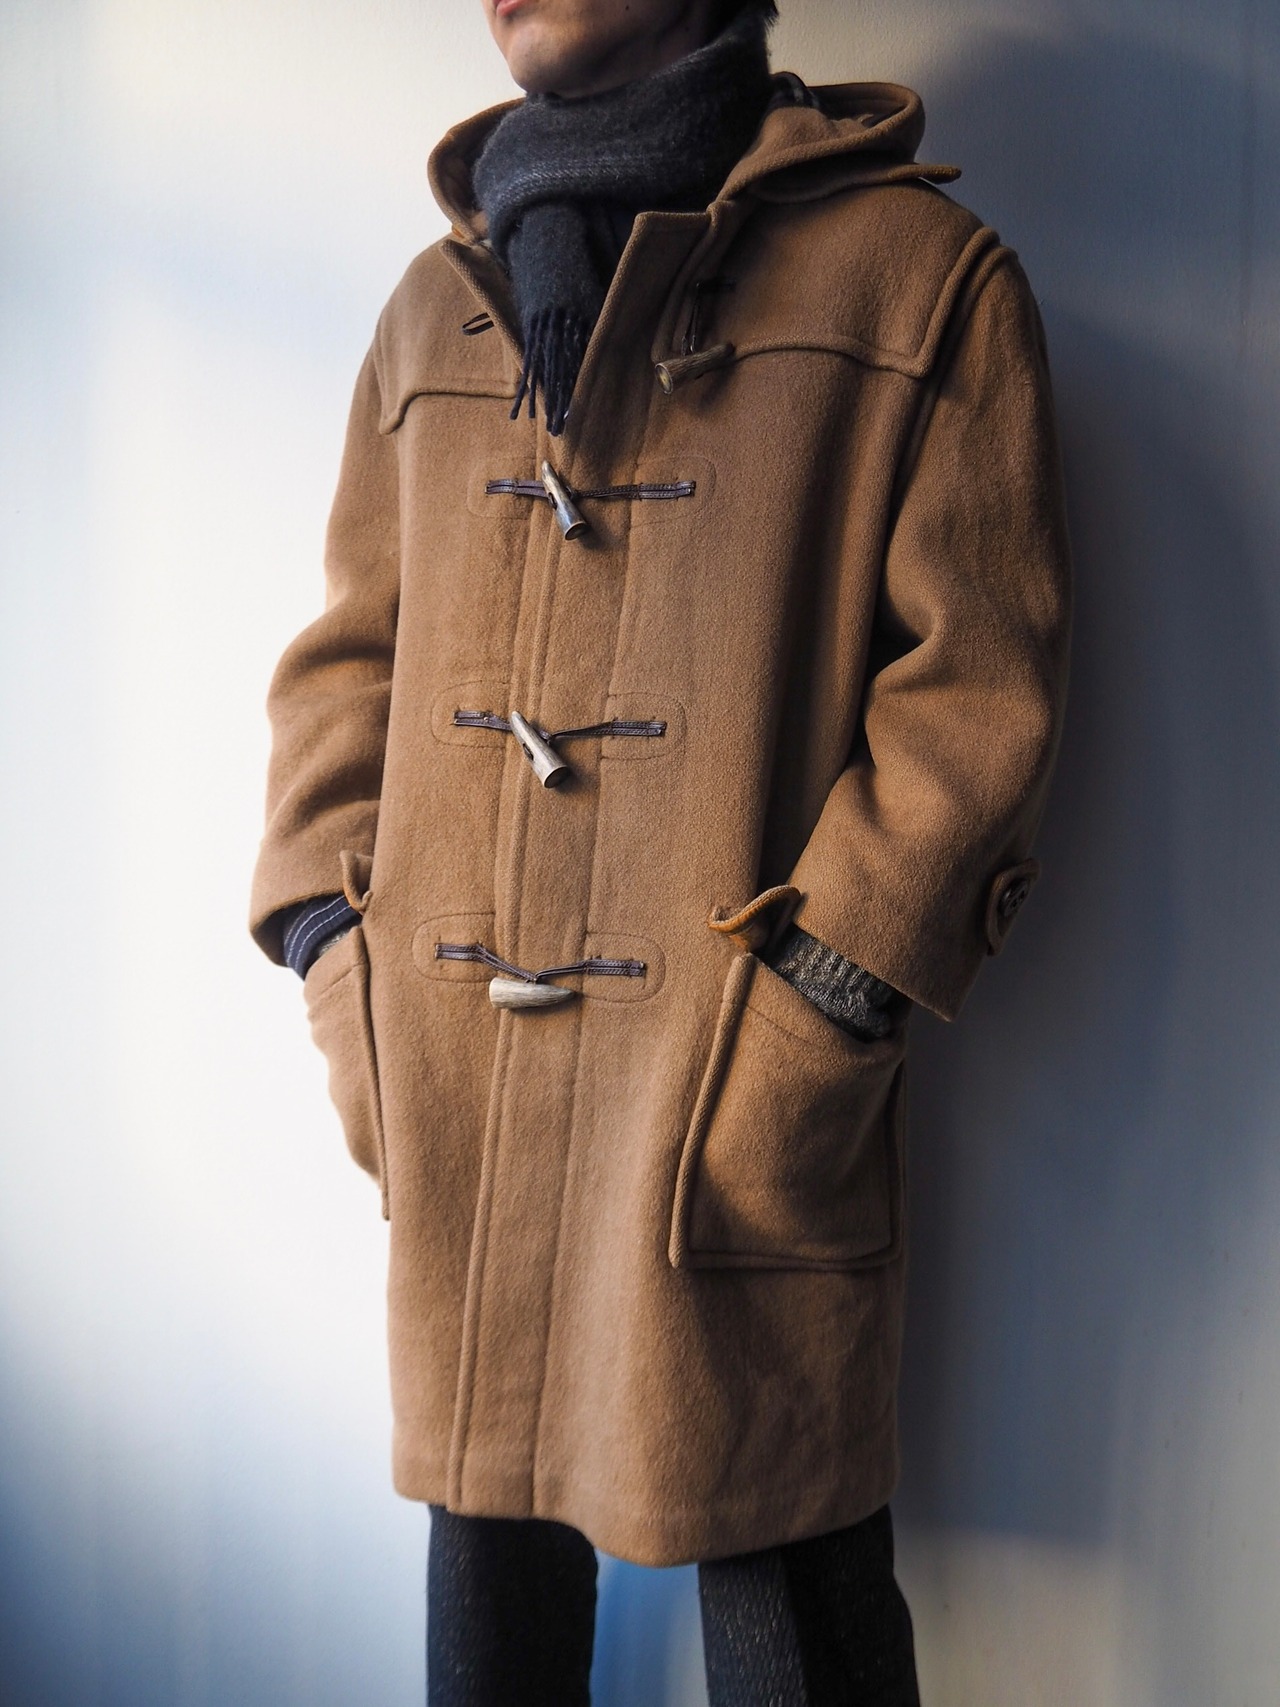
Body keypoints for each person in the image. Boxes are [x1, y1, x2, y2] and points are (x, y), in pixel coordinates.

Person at [249, 0, 1072, 1699]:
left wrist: (817, 1010)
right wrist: (346, 975)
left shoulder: (919, 287)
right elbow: (345, 672)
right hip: (465, 1106)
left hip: (730, 1119)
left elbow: (978, 695)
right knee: (490, 1644)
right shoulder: (434, 307)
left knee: (794, 1631)